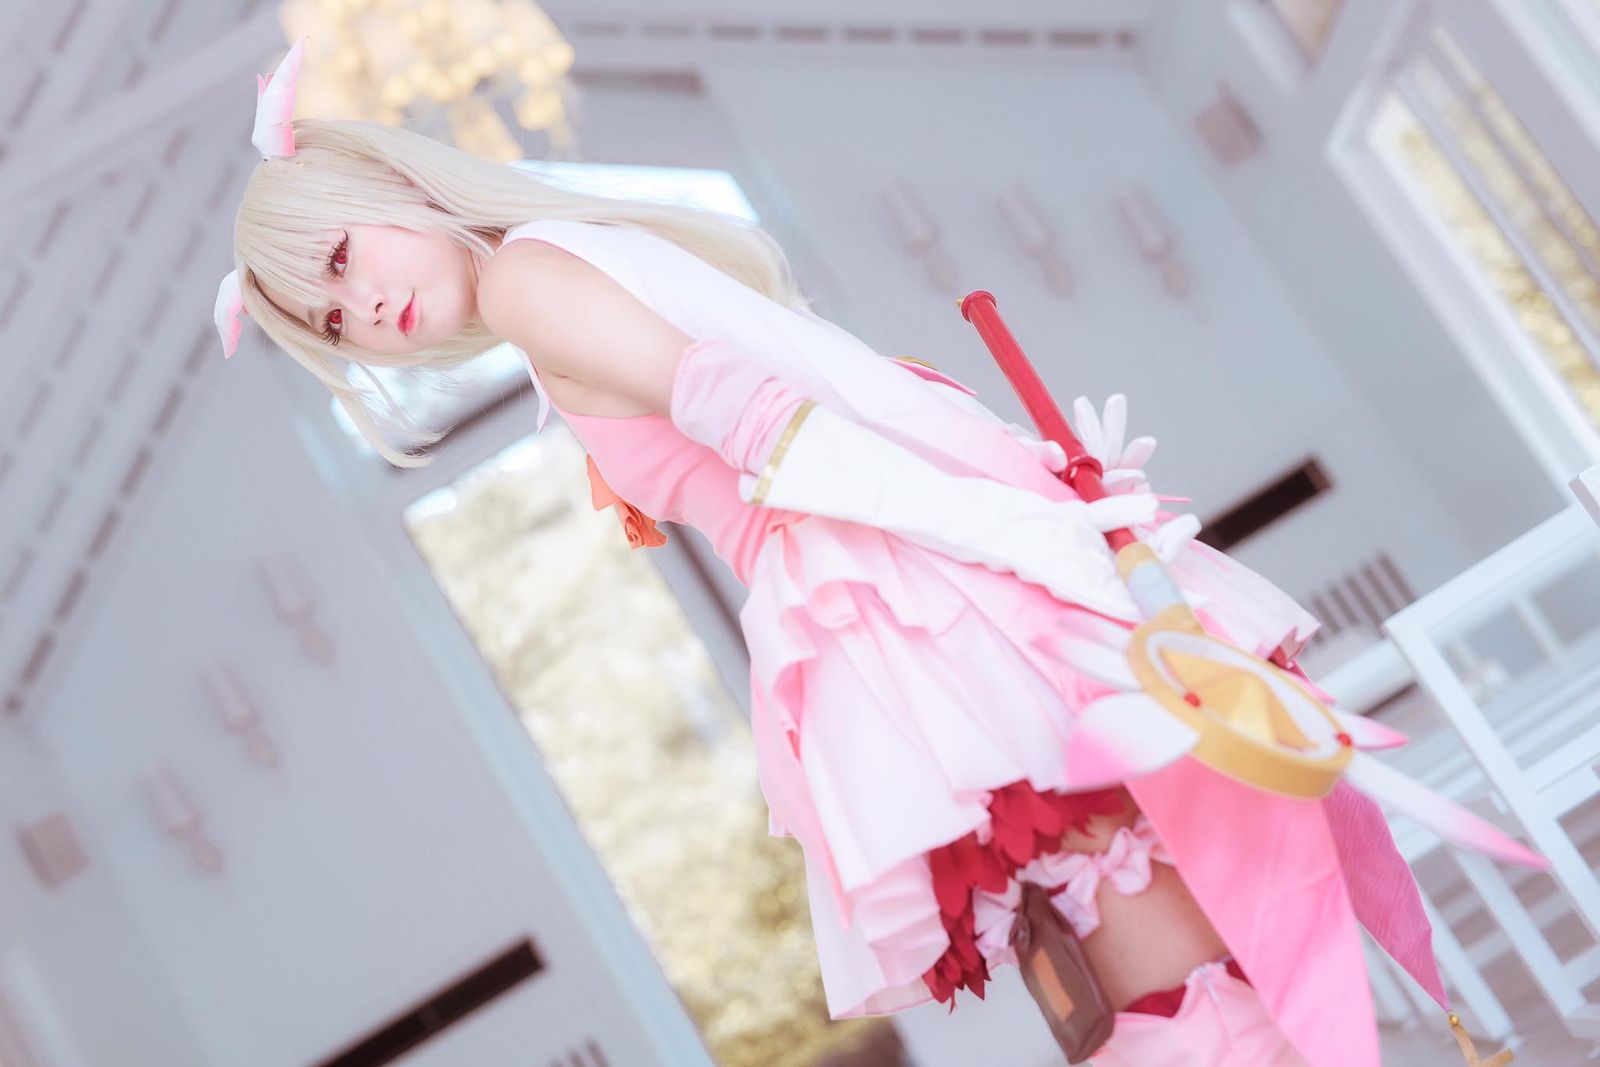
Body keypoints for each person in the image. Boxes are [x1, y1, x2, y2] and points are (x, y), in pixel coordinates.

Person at [215, 41, 1540, 1067]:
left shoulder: (527, 277)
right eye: (329, 320)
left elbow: (778, 433)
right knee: (1181, 947)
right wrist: (1028, 522)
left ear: (386, 186)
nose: (361, 305)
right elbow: (790, 421)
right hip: (916, 599)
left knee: (1167, 976)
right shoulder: (546, 273)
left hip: (916, 604)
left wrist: (1033, 530)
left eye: (339, 254)